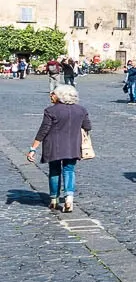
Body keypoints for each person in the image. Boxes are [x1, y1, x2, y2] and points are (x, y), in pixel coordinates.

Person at [27, 85, 91, 213]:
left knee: (54, 171)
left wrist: (33, 148)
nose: (51, 95)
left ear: (60, 96)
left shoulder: (51, 111)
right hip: (73, 145)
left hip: (53, 146)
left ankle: (54, 200)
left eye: (53, 94)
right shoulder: (81, 110)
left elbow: (43, 130)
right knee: (69, 170)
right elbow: (87, 126)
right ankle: (69, 199)